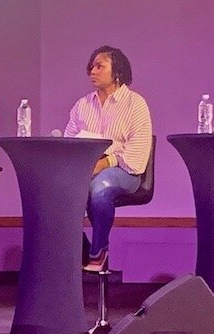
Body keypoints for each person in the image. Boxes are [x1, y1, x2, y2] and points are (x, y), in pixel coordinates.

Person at [64, 45, 152, 272]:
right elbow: (69, 142)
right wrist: (83, 164)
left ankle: (99, 251)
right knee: (57, 192)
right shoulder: (82, 105)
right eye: (91, 66)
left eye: (99, 66)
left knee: (99, 188)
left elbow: (137, 153)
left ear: (117, 72)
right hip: (85, 169)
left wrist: (105, 162)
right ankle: (78, 248)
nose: (92, 71)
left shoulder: (135, 104)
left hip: (124, 171)